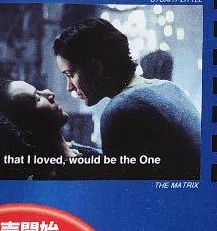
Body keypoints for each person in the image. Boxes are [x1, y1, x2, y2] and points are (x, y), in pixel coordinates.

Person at [52, 18, 200, 178]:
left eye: (70, 74)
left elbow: (115, 184)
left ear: (96, 67)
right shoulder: (168, 87)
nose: (69, 87)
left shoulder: (121, 109)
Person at [0, 79, 100, 177]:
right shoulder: (66, 176)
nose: (49, 93)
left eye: (39, 90)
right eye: (37, 98)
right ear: (27, 124)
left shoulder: (76, 152)